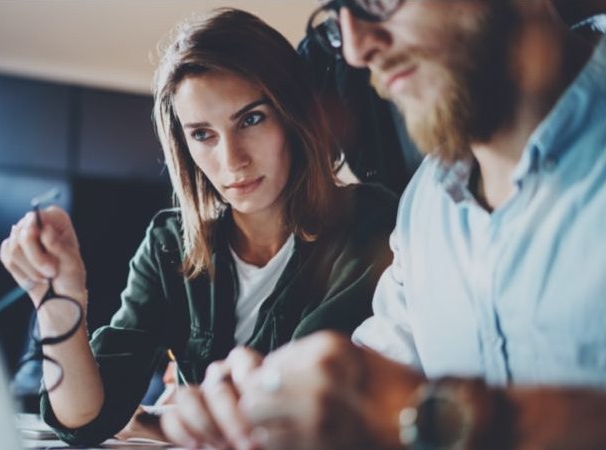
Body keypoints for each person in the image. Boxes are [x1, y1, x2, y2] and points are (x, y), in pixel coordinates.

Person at [160, 1, 606, 449]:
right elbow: (369, 377)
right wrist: (265, 407)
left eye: (376, 2)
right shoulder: (425, 205)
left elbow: (401, 410)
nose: (356, 50)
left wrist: (438, 417)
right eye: (339, 18)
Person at [0, 7, 397, 446]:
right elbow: (85, 420)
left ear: (293, 116)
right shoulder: (170, 244)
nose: (232, 161)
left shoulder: (366, 223)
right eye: (203, 134)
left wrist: (164, 423)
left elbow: (293, 399)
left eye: (251, 119)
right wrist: (58, 300)